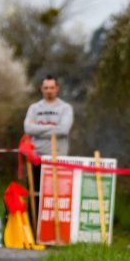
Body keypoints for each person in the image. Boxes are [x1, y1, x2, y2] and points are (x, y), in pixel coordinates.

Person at [23, 75, 74, 203]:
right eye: (46, 88)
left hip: (58, 158)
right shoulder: (34, 108)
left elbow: (63, 130)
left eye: (52, 87)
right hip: (36, 158)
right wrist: (52, 128)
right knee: (35, 196)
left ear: (57, 89)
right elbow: (28, 129)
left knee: (55, 197)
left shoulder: (65, 108)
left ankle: (53, 223)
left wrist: (39, 128)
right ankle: (34, 223)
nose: (49, 91)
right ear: (41, 89)